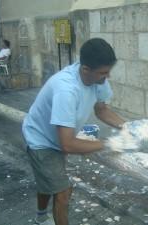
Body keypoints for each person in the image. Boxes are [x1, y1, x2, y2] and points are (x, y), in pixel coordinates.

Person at [22, 38, 125, 225]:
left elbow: (101, 109)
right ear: (86, 69)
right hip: (41, 139)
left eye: (108, 71)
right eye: (103, 73)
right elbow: (67, 144)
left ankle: (40, 217)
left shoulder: (98, 78)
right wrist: (109, 143)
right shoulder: (66, 90)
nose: (107, 77)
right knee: (63, 192)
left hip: (58, 137)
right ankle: (43, 218)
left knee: (48, 180)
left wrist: (127, 127)